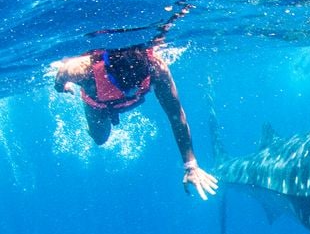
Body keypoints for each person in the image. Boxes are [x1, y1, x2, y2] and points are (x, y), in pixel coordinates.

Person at [53, 44, 218, 200]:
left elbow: (176, 116)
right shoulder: (81, 70)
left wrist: (191, 166)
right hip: (99, 107)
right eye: (124, 85)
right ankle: (89, 127)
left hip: (127, 102)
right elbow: (59, 80)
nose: (131, 89)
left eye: (136, 83)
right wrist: (63, 88)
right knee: (100, 139)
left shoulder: (156, 69)